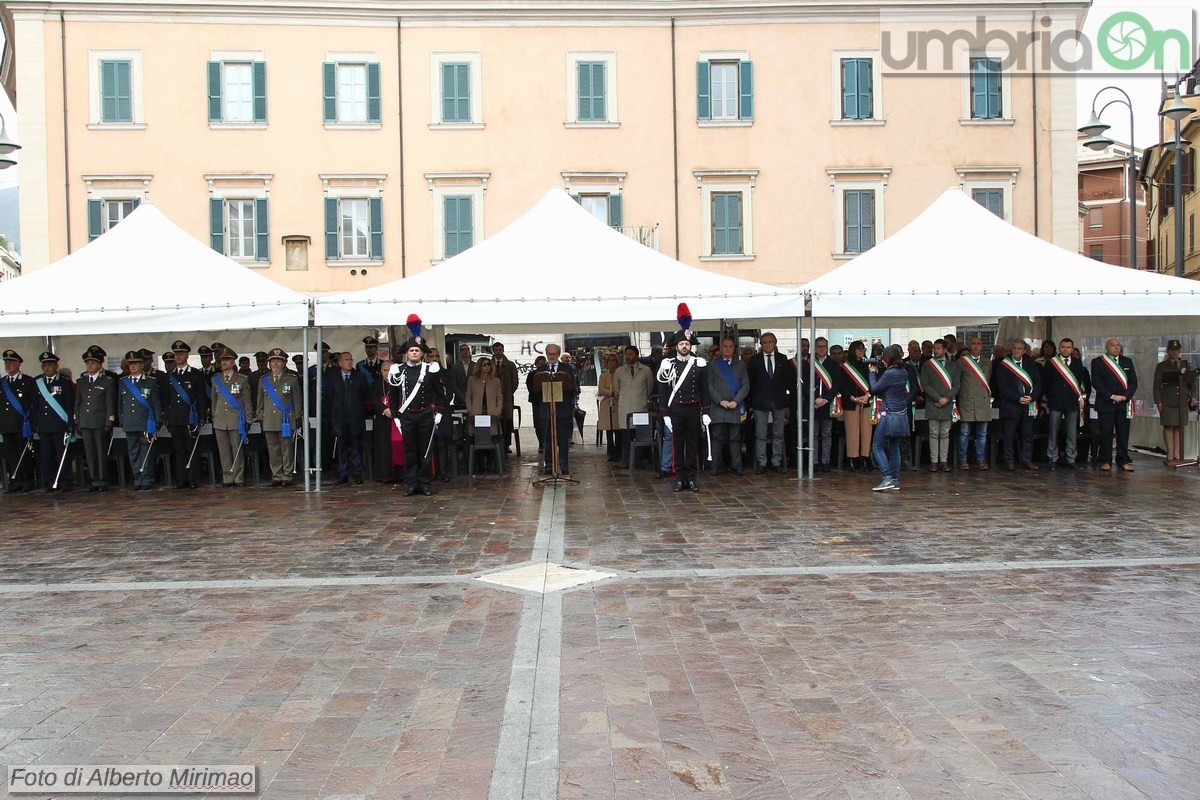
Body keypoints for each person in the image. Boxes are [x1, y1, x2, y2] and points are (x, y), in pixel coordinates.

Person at [657, 310, 709, 492]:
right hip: (676, 410)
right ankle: (680, 478)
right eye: (681, 343)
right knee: (677, 446)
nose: (684, 346)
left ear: (691, 345)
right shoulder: (667, 364)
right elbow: (663, 391)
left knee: (693, 445)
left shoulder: (699, 363)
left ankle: (692, 478)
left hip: (694, 409)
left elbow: (705, 390)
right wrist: (665, 414)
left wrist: (706, 412)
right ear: (676, 346)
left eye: (687, 343)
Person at [163, 340, 209, 489]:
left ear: (187, 355)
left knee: (191, 449)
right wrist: (167, 417)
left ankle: (193, 479)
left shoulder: (195, 374)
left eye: (181, 354)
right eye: (176, 354)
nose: (178, 357)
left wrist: (202, 416)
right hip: (175, 419)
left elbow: (201, 397)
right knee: (179, 450)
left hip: (190, 418)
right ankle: (181, 479)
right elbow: (166, 399)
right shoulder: (169, 376)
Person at [747, 332, 792, 474]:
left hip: (778, 401)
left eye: (770, 342)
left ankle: (776, 462)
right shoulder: (755, 360)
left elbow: (788, 381)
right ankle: (761, 462)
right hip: (760, 401)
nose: (767, 345)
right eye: (764, 342)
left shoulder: (783, 359)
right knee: (761, 434)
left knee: (778, 433)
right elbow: (750, 382)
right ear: (761, 344)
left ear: (775, 343)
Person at [1041, 337, 1090, 470]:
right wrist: (1051, 396)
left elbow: (1080, 383)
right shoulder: (1051, 363)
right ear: (1059, 347)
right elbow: (1045, 383)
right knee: (1053, 431)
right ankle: (1052, 457)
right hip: (1056, 401)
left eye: (1068, 347)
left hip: (1072, 402)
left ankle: (1070, 458)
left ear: (1072, 349)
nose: (1065, 349)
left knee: (1071, 431)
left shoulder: (1078, 363)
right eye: (1063, 347)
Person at [1092, 338, 1139, 473]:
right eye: (1113, 346)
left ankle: (1123, 460)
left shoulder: (1127, 361)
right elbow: (1096, 382)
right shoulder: (1098, 362)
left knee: (1123, 433)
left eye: (1118, 345)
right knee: (1106, 433)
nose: (1116, 348)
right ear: (1106, 347)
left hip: (1123, 403)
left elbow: (1133, 382)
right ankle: (1106, 460)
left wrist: (1125, 396)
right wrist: (1111, 396)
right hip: (1106, 403)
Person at [866, 345, 909, 491]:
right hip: (900, 413)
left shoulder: (890, 373)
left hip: (888, 413)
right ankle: (895, 479)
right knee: (894, 447)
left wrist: (872, 373)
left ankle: (886, 477)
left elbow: (875, 389)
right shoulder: (902, 371)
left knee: (877, 447)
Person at [31, 352, 75, 492]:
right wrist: (35, 423)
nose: (47, 368)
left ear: (56, 366)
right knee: (47, 455)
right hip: (44, 425)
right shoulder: (37, 382)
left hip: (60, 424)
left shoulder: (64, 381)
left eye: (50, 365)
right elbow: (35, 405)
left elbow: (69, 403)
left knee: (61, 454)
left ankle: (64, 480)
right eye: (44, 365)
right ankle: (50, 480)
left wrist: (70, 423)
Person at [118, 350, 162, 490]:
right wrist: (122, 420)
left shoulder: (150, 382)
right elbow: (120, 404)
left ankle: (147, 477)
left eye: (135, 363)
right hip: (130, 422)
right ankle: (137, 477)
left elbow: (156, 403)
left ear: (142, 364)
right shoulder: (123, 382)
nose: (132, 366)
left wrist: (158, 420)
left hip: (145, 422)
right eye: (130, 363)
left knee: (146, 451)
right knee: (133, 452)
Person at [996, 339, 1043, 471]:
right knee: (1009, 435)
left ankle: (1026, 460)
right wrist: (1018, 398)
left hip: (1028, 405)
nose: (1016, 351)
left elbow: (1038, 383)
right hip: (1011, 405)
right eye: (1014, 348)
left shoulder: (1030, 364)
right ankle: (1009, 461)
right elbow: (1002, 387)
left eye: (1019, 348)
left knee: (1027, 435)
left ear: (1024, 350)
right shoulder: (1004, 365)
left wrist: (1032, 397)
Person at [532, 343, 577, 477]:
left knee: (563, 439)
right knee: (547, 439)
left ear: (558, 355)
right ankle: (549, 465)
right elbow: (534, 390)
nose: (551, 357)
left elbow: (573, 388)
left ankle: (563, 465)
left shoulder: (567, 369)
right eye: (549, 354)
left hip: (562, 409)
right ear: (546, 354)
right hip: (546, 409)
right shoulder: (540, 370)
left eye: (554, 354)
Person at [75, 346, 117, 492]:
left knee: (100, 452)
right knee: (90, 453)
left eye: (93, 363)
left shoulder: (107, 381)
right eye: (87, 363)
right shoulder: (81, 381)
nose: (89, 365)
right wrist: (77, 420)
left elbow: (109, 404)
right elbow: (78, 403)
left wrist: (109, 421)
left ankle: (103, 479)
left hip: (99, 422)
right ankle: (94, 480)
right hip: (85, 422)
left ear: (100, 365)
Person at [258, 348, 301, 487]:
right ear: (269, 363)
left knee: (286, 448)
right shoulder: (263, 380)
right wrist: (260, 417)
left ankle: (286, 476)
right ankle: (276, 475)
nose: (276, 364)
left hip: (286, 420)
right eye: (273, 361)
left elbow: (297, 400)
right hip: (269, 419)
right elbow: (260, 401)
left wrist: (297, 417)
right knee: (273, 449)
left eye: (279, 361)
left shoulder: (292, 379)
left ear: (284, 363)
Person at [211, 348, 254, 487]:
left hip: (236, 419)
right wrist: (214, 416)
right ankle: (227, 477)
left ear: (233, 361)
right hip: (220, 419)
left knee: (237, 450)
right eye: (222, 360)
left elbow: (247, 401)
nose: (223, 362)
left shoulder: (242, 379)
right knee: (224, 451)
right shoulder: (216, 379)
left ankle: (238, 477)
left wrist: (248, 419)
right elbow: (214, 401)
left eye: (227, 360)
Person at [708, 336, 749, 476]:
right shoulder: (713, 364)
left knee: (735, 438)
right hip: (718, 407)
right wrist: (721, 401)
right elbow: (710, 386)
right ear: (720, 348)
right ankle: (715, 466)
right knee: (717, 437)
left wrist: (735, 401)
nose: (727, 349)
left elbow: (745, 386)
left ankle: (736, 466)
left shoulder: (741, 365)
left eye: (730, 346)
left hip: (735, 407)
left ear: (734, 348)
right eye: (724, 346)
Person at [1153, 339, 1197, 466]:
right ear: (1168, 351)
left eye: (1176, 350)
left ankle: (1177, 453)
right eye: (1172, 350)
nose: (1174, 352)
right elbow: (1156, 386)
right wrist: (1158, 401)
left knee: (1179, 426)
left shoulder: (1185, 364)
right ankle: (1170, 453)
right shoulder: (1161, 366)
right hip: (1167, 400)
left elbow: (1192, 383)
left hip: (1182, 400)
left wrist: (1193, 396)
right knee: (1168, 426)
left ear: (1179, 351)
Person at [328, 350, 369, 486]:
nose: (349, 362)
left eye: (351, 359)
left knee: (357, 448)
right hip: (340, 419)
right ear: (340, 363)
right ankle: (343, 474)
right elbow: (330, 398)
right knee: (342, 449)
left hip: (356, 418)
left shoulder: (359, 377)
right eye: (346, 360)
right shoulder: (333, 378)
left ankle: (357, 474)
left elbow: (365, 396)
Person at [1, 349, 37, 493]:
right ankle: (15, 480)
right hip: (6, 424)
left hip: (22, 424)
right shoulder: (2, 383)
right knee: (11, 454)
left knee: (24, 453)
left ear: (18, 364)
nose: (8, 365)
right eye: (6, 362)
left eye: (10, 362)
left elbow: (33, 404)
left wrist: (32, 423)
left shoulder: (28, 381)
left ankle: (27, 480)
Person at [920, 339, 958, 472]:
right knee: (934, 433)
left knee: (945, 433)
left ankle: (944, 461)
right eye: (934, 348)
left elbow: (956, 385)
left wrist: (946, 398)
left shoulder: (953, 366)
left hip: (947, 404)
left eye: (938, 348)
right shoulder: (927, 365)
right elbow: (925, 385)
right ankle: (934, 462)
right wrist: (938, 398)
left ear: (945, 350)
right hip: (933, 403)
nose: (935, 351)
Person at [956, 336, 993, 470]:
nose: (976, 346)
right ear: (969, 346)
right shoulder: (961, 362)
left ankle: (981, 458)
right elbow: (957, 383)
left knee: (982, 434)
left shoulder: (988, 362)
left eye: (979, 343)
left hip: (982, 403)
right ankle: (963, 459)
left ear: (982, 346)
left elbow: (989, 380)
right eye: (973, 344)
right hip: (967, 402)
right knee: (964, 433)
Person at [613, 345, 654, 465]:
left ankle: (638, 460)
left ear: (636, 355)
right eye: (627, 354)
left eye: (631, 354)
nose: (628, 357)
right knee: (625, 436)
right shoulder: (619, 371)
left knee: (640, 435)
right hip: (625, 407)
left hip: (640, 406)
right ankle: (625, 460)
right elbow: (616, 389)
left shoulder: (646, 370)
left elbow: (649, 388)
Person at [837, 341, 873, 471]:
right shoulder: (845, 367)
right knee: (852, 431)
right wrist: (853, 398)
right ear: (852, 350)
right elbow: (842, 385)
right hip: (851, 402)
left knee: (866, 430)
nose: (861, 351)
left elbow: (874, 382)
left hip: (866, 401)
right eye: (858, 349)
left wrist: (867, 395)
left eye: (863, 349)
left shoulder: (868, 365)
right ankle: (852, 458)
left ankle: (865, 457)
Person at [466, 356, 505, 471]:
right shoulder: (472, 380)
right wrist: (470, 409)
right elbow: (468, 395)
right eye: (484, 364)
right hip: (476, 413)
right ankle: (479, 467)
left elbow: (499, 397)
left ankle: (491, 465)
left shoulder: (495, 380)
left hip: (492, 414)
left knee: (492, 438)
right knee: (477, 439)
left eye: (488, 364)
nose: (487, 366)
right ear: (479, 366)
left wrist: (498, 410)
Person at [810, 338, 838, 473]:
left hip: (827, 404)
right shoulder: (809, 363)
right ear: (814, 347)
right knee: (813, 434)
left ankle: (825, 461)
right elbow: (804, 383)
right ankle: (814, 462)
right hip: (813, 404)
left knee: (826, 434)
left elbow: (837, 384)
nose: (821, 349)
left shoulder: (833, 364)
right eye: (819, 346)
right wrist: (815, 399)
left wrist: (826, 399)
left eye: (824, 346)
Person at [491, 342, 519, 454]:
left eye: (500, 350)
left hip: (507, 398)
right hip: (492, 399)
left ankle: (506, 445)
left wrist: (508, 393)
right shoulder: (488, 364)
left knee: (507, 422)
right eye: (496, 350)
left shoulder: (510, 365)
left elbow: (515, 382)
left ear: (503, 350)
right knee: (494, 421)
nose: (498, 352)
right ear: (493, 351)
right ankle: (495, 443)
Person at [597, 353, 622, 461]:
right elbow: (601, 389)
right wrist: (611, 393)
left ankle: (619, 452)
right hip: (607, 405)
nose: (611, 363)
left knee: (618, 430)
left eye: (614, 360)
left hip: (618, 405)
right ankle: (610, 452)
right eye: (609, 361)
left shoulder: (620, 374)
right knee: (609, 430)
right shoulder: (603, 376)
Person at [527, 355, 548, 452]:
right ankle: (541, 443)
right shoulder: (532, 374)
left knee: (547, 422)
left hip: (547, 401)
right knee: (538, 423)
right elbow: (530, 387)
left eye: (542, 364)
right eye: (538, 364)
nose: (540, 366)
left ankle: (547, 442)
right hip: (536, 401)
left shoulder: (549, 374)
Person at [448, 343, 474, 409]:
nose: (465, 351)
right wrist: (463, 398)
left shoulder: (475, 366)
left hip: (474, 399)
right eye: (463, 350)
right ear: (459, 352)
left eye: (467, 349)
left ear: (470, 352)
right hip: (459, 400)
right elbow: (453, 384)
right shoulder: (455, 367)